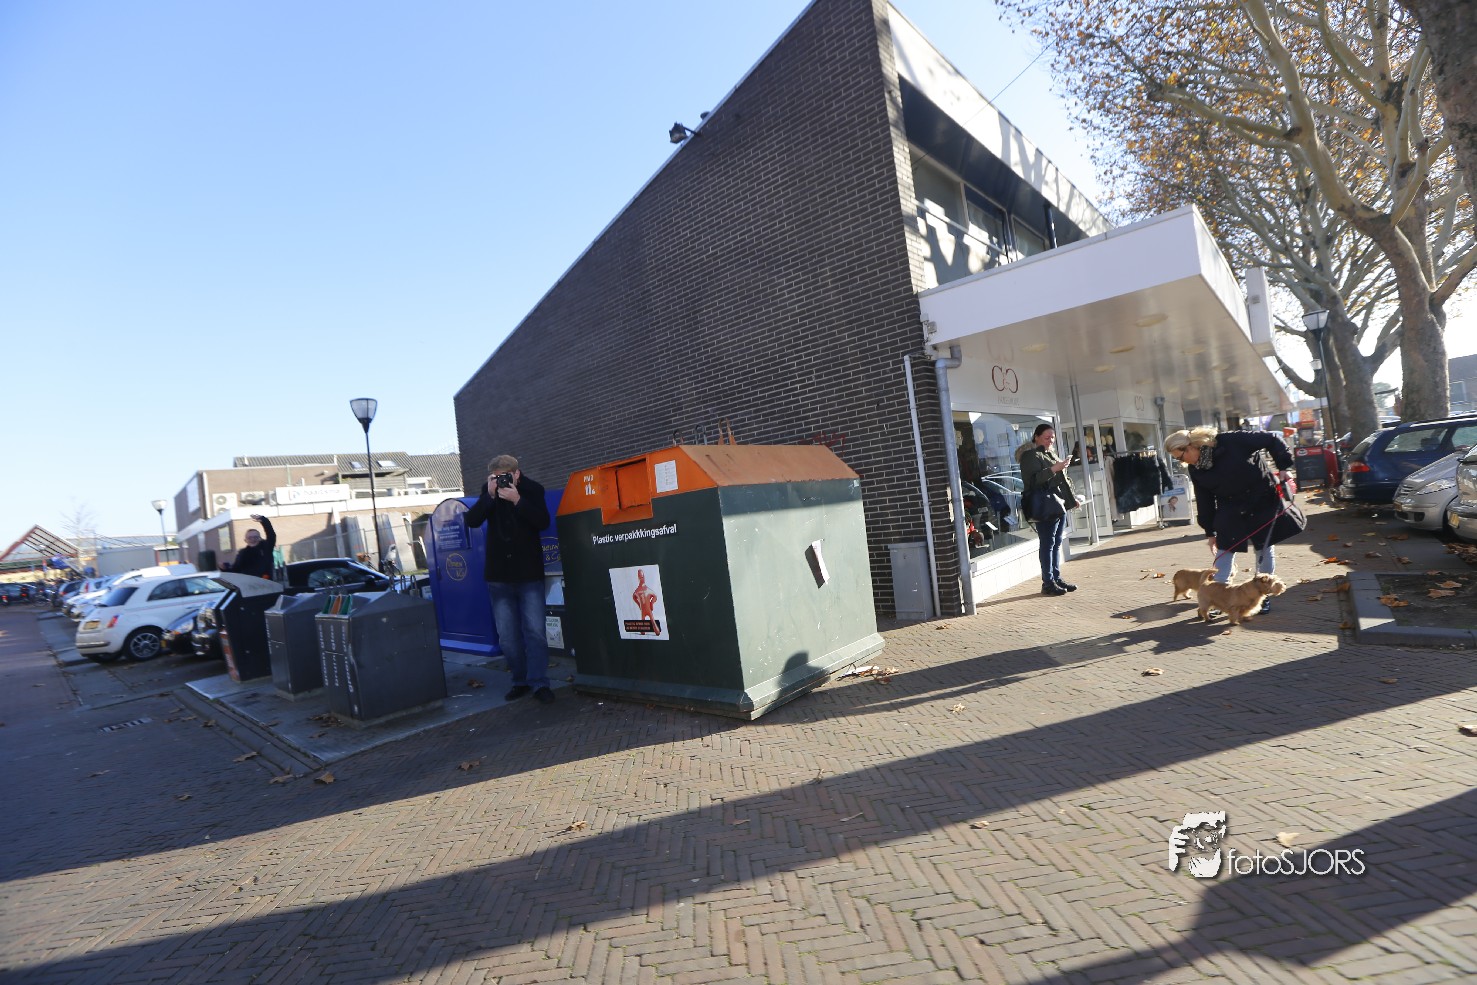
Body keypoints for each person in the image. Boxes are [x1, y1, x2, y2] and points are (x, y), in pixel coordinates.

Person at [1164, 426, 1296, 612]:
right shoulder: (1196, 469)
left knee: (1264, 547)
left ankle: (1263, 595)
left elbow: (1271, 438)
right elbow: (1204, 500)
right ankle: (1219, 598)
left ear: (1190, 446)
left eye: (1180, 457)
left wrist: (1283, 467)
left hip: (1261, 500)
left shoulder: (1230, 441)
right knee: (1224, 549)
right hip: (1230, 506)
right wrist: (1210, 531)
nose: (1181, 462)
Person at [463, 455, 554, 704]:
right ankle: (520, 681)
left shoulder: (533, 490)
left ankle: (539, 683)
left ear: (517, 474)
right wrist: (489, 496)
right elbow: (472, 521)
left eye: (505, 476)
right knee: (507, 636)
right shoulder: (489, 491)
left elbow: (543, 522)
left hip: (528, 574)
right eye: (496, 477)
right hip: (499, 576)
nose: (501, 480)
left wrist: (518, 500)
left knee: (535, 632)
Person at [1018, 423, 1079, 596]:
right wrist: (1054, 468)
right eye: (1047, 437)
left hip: (1058, 503)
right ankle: (1048, 582)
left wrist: (1072, 499)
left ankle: (1056, 578)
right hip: (1044, 504)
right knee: (1047, 544)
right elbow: (1033, 481)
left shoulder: (1050, 453)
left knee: (1056, 542)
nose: (1050, 440)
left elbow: (1061, 481)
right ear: (1036, 437)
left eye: (1052, 437)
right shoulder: (1030, 455)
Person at [231, 514, 277, 578]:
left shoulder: (266, 548)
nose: (253, 539)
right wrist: (224, 568)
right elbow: (235, 570)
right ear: (245, 540)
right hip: (248, 582)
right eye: (250, 538)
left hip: (265, 581)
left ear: (260, 538)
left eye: (255, 537)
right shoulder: (242, 554)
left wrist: (264, 520)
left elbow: (271, 534)